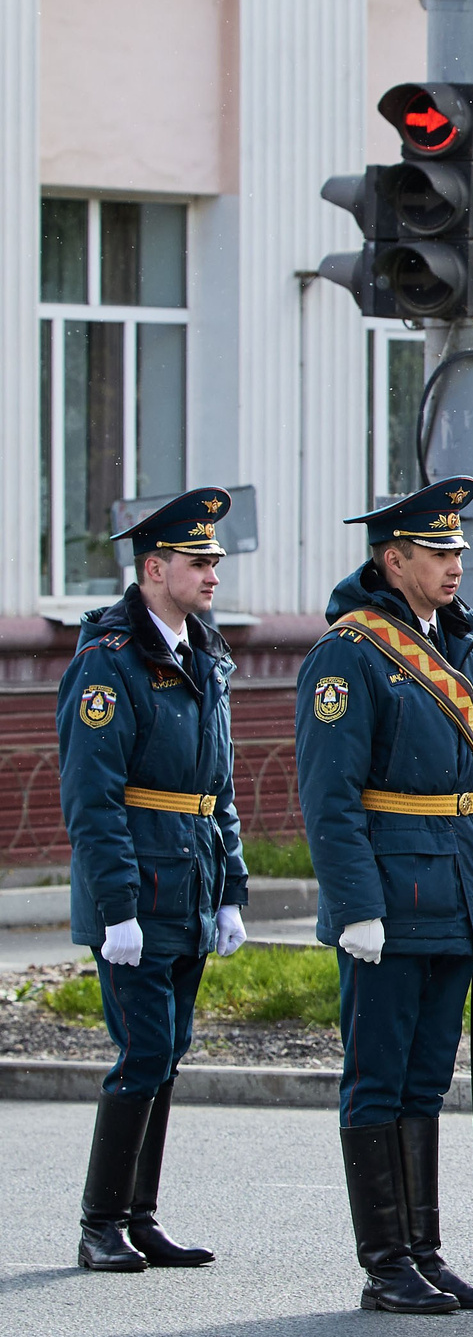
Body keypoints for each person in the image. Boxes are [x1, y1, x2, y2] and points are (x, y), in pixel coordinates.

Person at [297, 478, 473, 1315]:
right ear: (393, 561)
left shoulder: (460, 643)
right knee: (379, 1079)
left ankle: (424, 1253)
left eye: (459, 549)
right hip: (391, 898)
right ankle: (386, 1262)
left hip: (457, 886)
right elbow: (329, 794)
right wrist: (355, 903)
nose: (455, 564)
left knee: (427, 1079)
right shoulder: (350, 652)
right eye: (438, 552)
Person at [56, 490, 249, 1273]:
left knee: (168, 1052)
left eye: (214, 561)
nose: (212, 574)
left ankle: (141, 1216)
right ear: (153, 568)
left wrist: (232, 889)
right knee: (143, 1051)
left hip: (190, 886)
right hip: (137, 892)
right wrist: (116, 908)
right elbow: (92, 799)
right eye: (198, 562)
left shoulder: (205, 654)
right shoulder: (108, 663)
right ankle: (100, 1222)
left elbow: (218, 787)